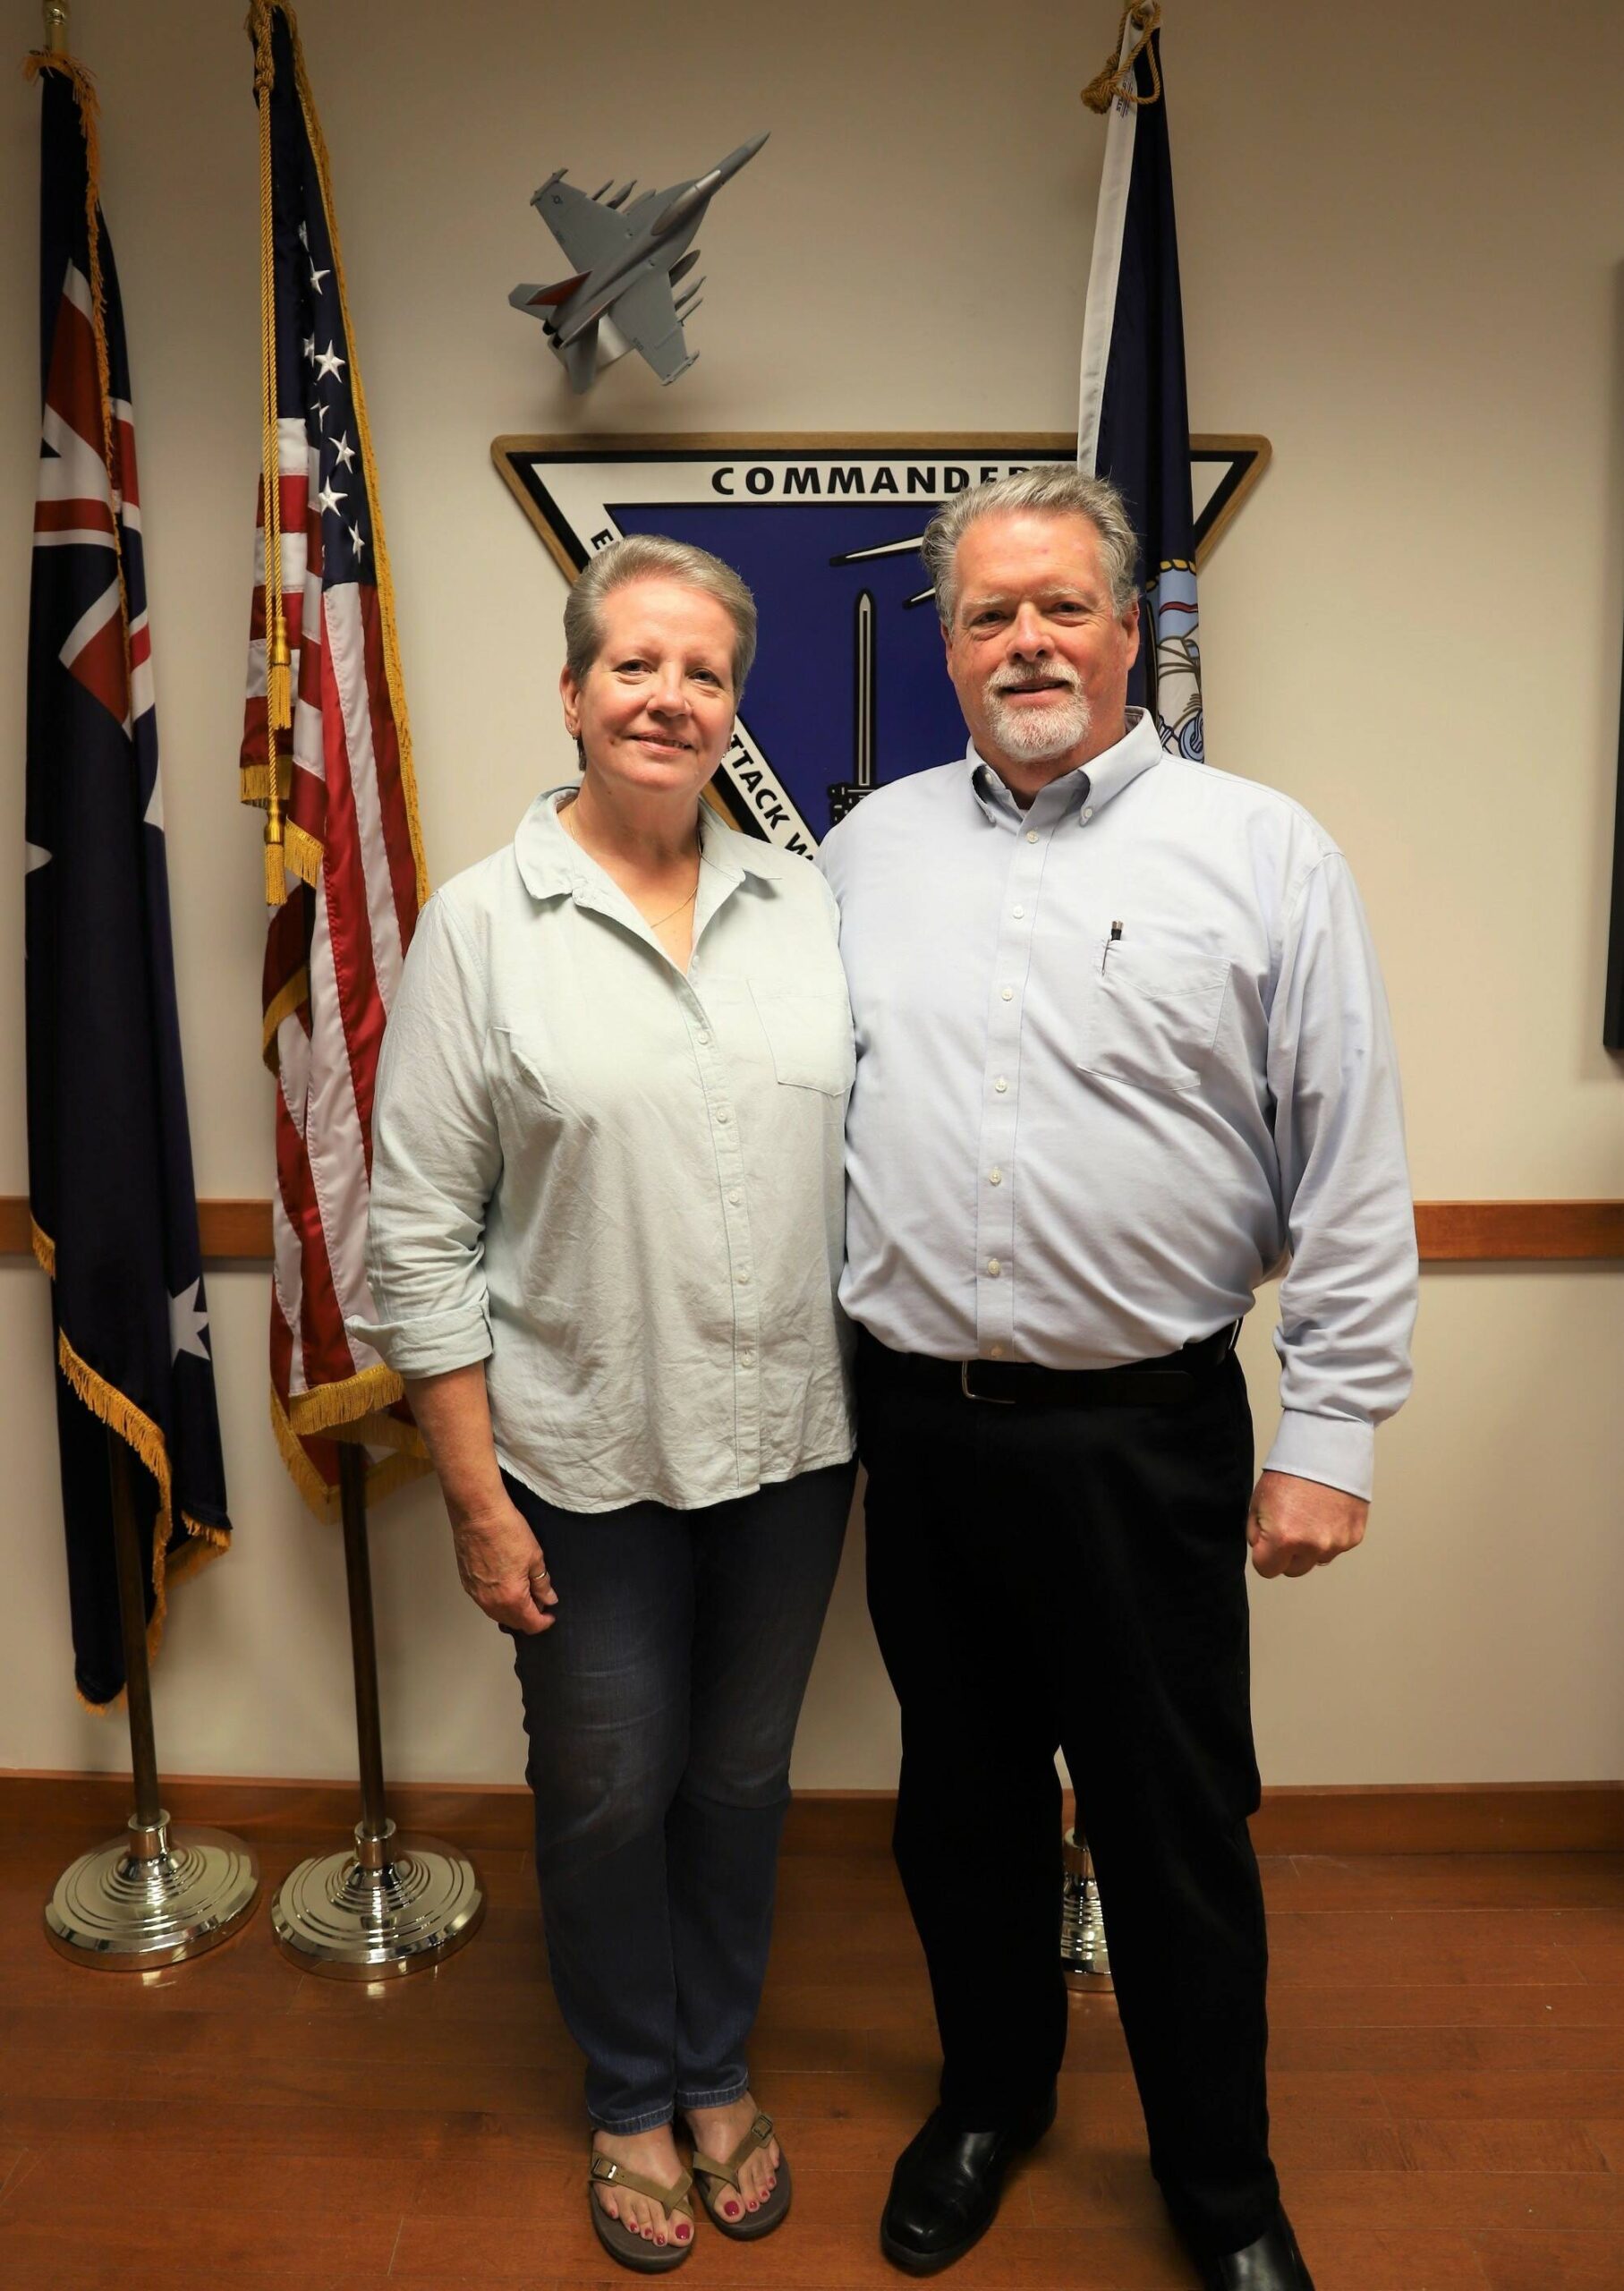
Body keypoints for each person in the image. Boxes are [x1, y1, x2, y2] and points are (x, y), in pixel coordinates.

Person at [817, 467, 1417, 2291]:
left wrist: (1329, 1429)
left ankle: (1220, 2184)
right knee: (962, 1802)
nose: (1022, 642)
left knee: (1170, 1826)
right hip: (920, 1430)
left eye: (1056, 607)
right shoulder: (865, 849)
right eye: (985, 614)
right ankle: (991, 2095)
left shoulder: (1258, 849)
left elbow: (1346, 1158)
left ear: (1125, 626)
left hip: (1147, 1433)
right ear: (944, 645)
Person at [352, 534, 855, 2275]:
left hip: (791, 1448)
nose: (665, 695)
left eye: (700, 671)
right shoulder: (484, 924)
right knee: (604, 1786)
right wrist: (478, 1498)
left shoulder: (808, 909)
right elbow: (416, 1233)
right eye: (630, 664)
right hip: (573, 1462)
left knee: (737, 1781)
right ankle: (631, 2091)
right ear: (571, 693)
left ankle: (714, 2067)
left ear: (731, 708)